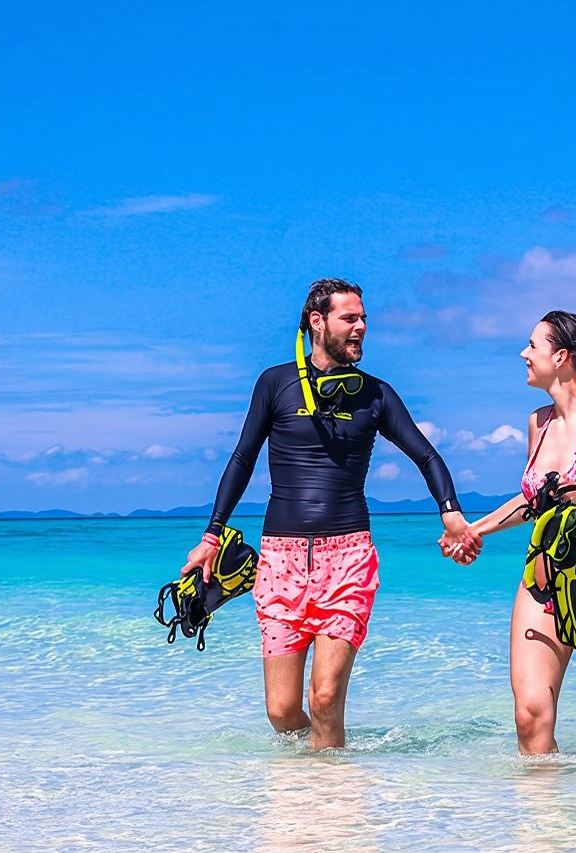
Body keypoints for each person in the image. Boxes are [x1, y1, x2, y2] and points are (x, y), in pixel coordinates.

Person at [182, 278, 480, 750]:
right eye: (350, 318)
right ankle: (317, 772)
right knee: (282, 711)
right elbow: (242, 459)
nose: (361, 327)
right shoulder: (274, 383)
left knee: (323, 699)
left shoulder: (375, 394)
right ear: (317, 322)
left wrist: (451, 513)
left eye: (363, 318)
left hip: (348, 558)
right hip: (280, 559)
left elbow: (427, 456)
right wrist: (212, 534)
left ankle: (333, 810)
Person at [453, 311, 576, 754]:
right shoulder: (538, 422)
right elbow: (534, 502)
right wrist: (473, 531)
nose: (524, 354)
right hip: (543, 586)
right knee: (531, 715)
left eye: (533, 345)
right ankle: (543, 823)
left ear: (560, 356)